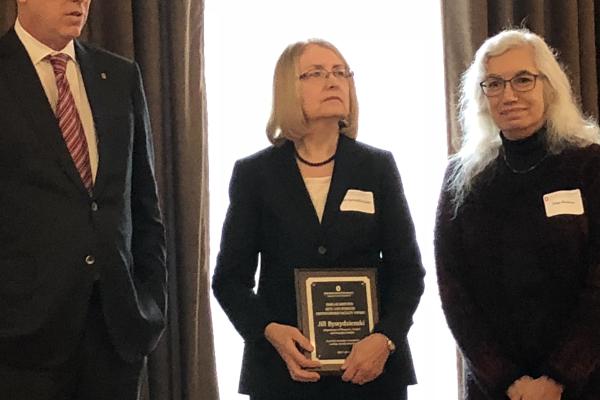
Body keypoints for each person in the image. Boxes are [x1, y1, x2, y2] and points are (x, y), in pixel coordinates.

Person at [212, 39, 424, 400]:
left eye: (341, 72)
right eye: (317, 73)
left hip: (371, 374)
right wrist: (268, 330)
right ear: (287, 88)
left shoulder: (378, 167)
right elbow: (229, 280)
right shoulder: (255, 174)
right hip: (286, 376)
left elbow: (408, 272)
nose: (333, 81)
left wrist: (385, 338)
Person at [0, 1, 167, 399]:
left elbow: (144, 204)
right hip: (19, 341)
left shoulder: (120, 75)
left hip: (116, 332)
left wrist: (151, 303)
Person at [435, 28, 600, 400]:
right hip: (496, 389)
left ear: (549, 85)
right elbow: (453, 289)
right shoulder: (463, 178)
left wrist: (559, 376)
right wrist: (506, 379)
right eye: (493, 83)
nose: (508, 95)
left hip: (585, 382)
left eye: (523, 79)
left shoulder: (590, 164)